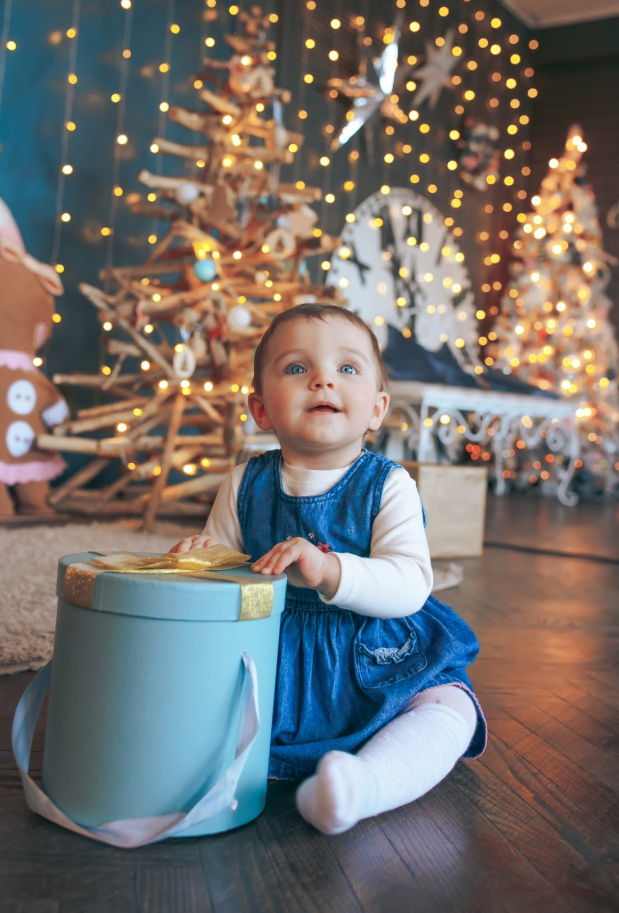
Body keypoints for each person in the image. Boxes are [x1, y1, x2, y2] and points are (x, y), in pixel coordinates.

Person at [169, 303, 487, 834]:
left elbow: (410, 583)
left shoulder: (389, 485)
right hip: (275, 661)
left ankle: (363, 786)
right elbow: (226, 572)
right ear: (261, 409)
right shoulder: (245, 483)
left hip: (376, 657)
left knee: (450, 707)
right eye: (297, 369)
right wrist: (205, 559)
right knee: (190, 699)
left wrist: (329, 570)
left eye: (347, 368)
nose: (322, 380)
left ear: (377, 409)